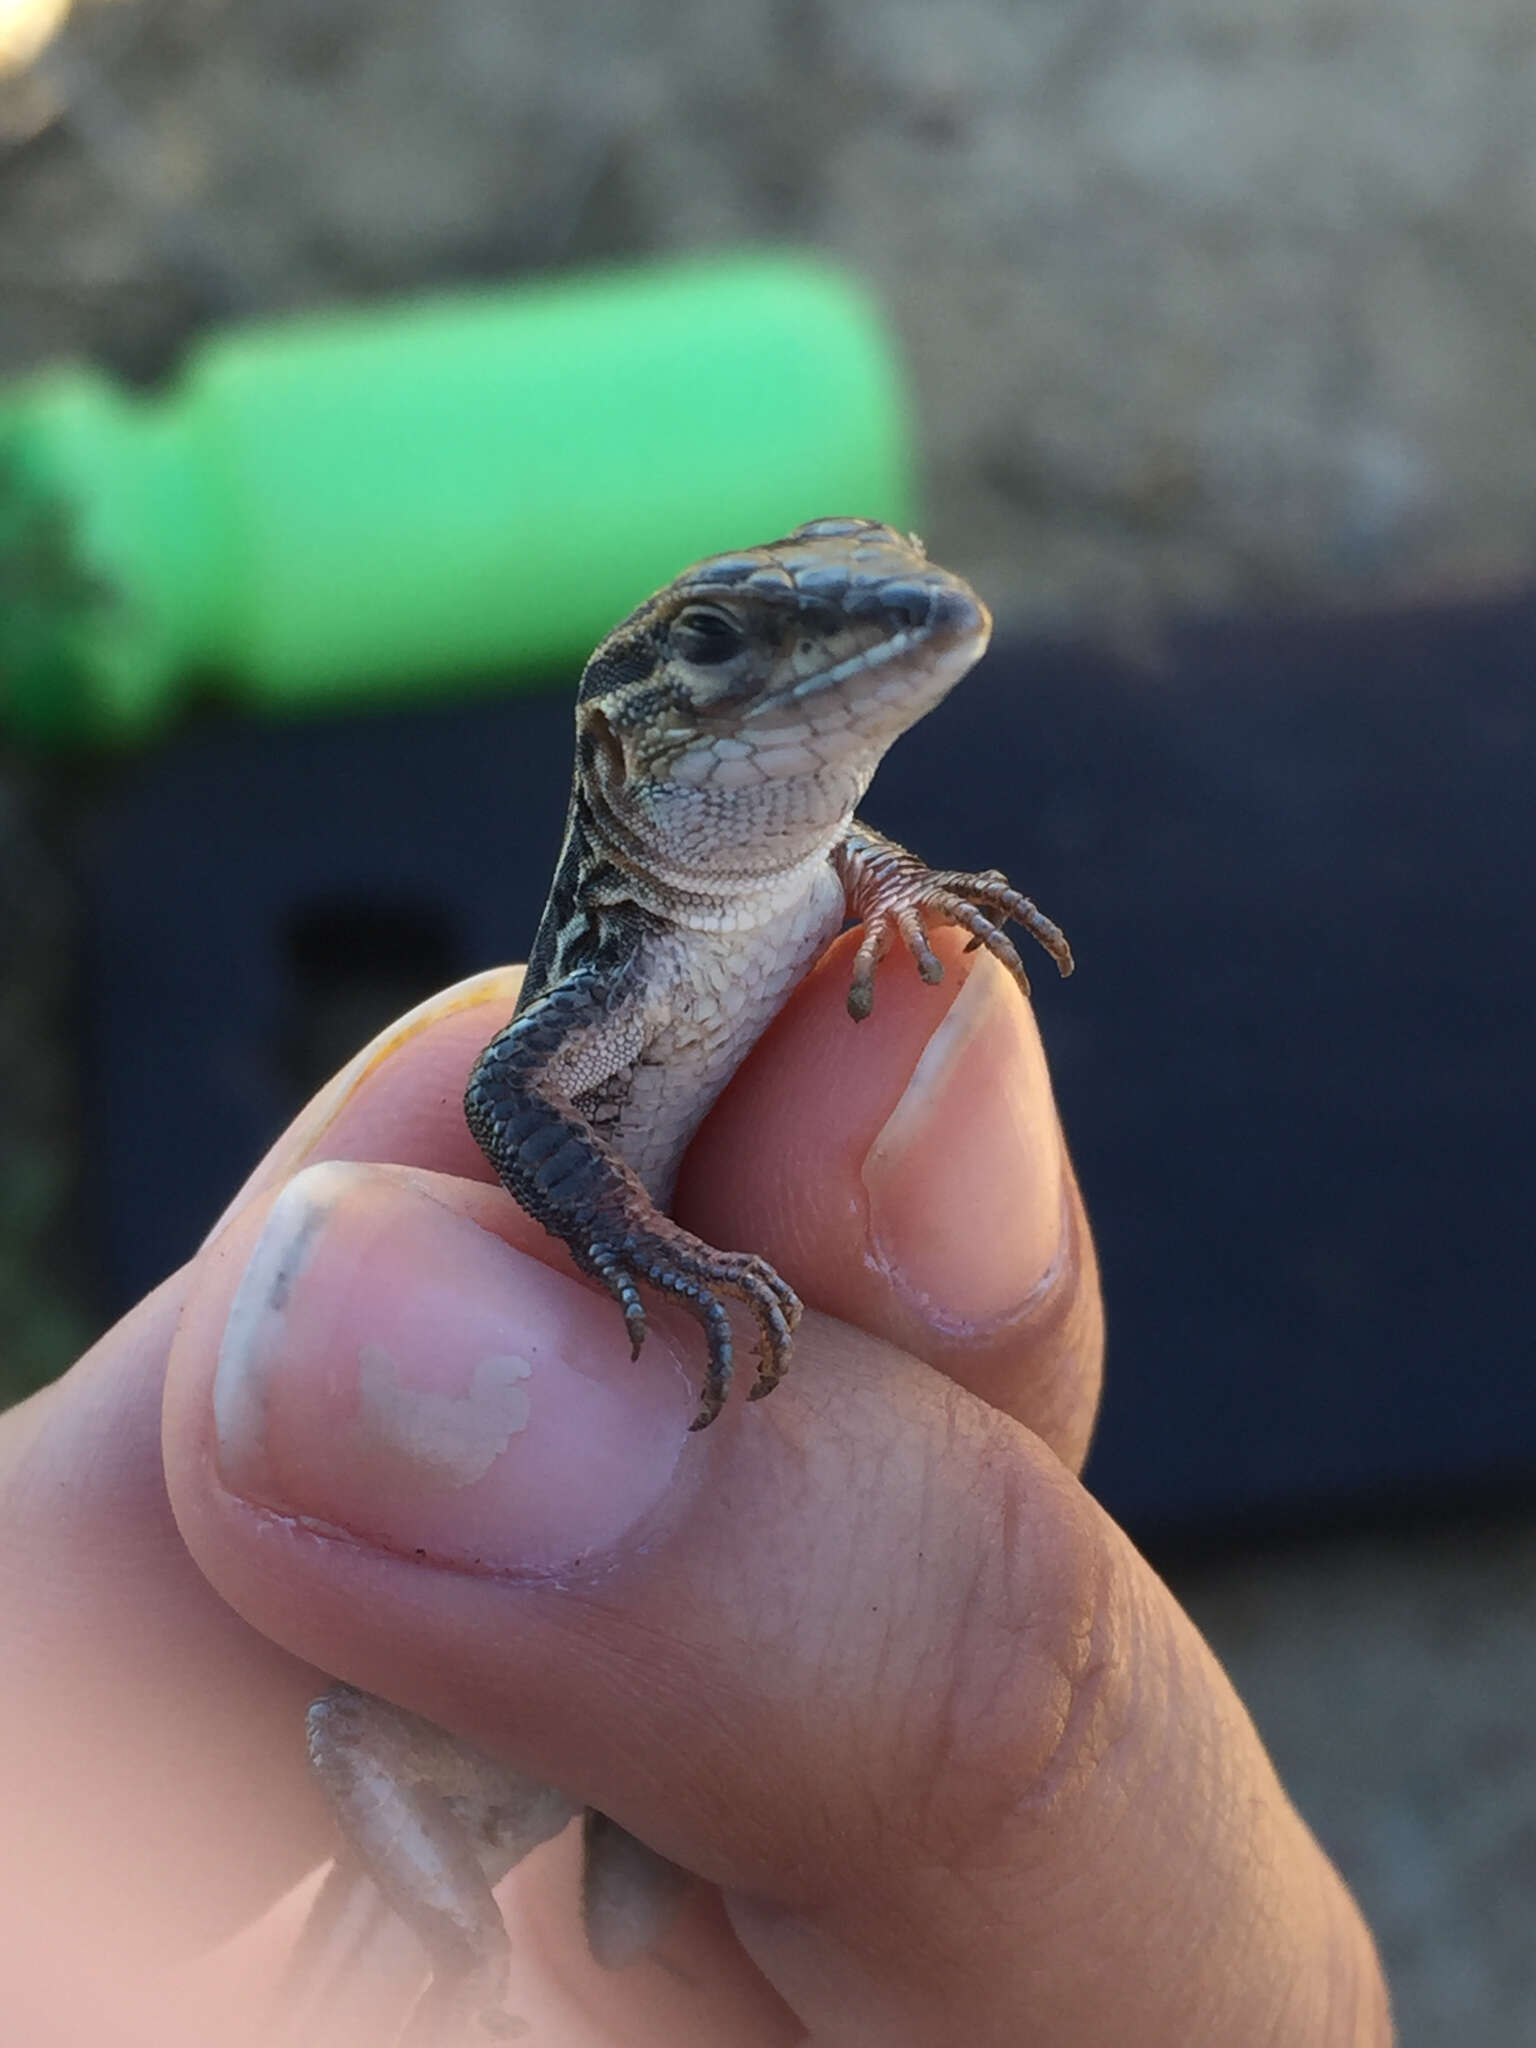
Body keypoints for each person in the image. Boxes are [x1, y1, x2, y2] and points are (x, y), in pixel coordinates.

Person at [2, 936, 1392, 2044]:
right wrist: (633, 1241)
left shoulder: (820, 864)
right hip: (473, 1789)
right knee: (396, 1800)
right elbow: (504, 1092)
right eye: (744, 642)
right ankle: (465, 1956)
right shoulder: (653, 912)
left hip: (613, 1829)